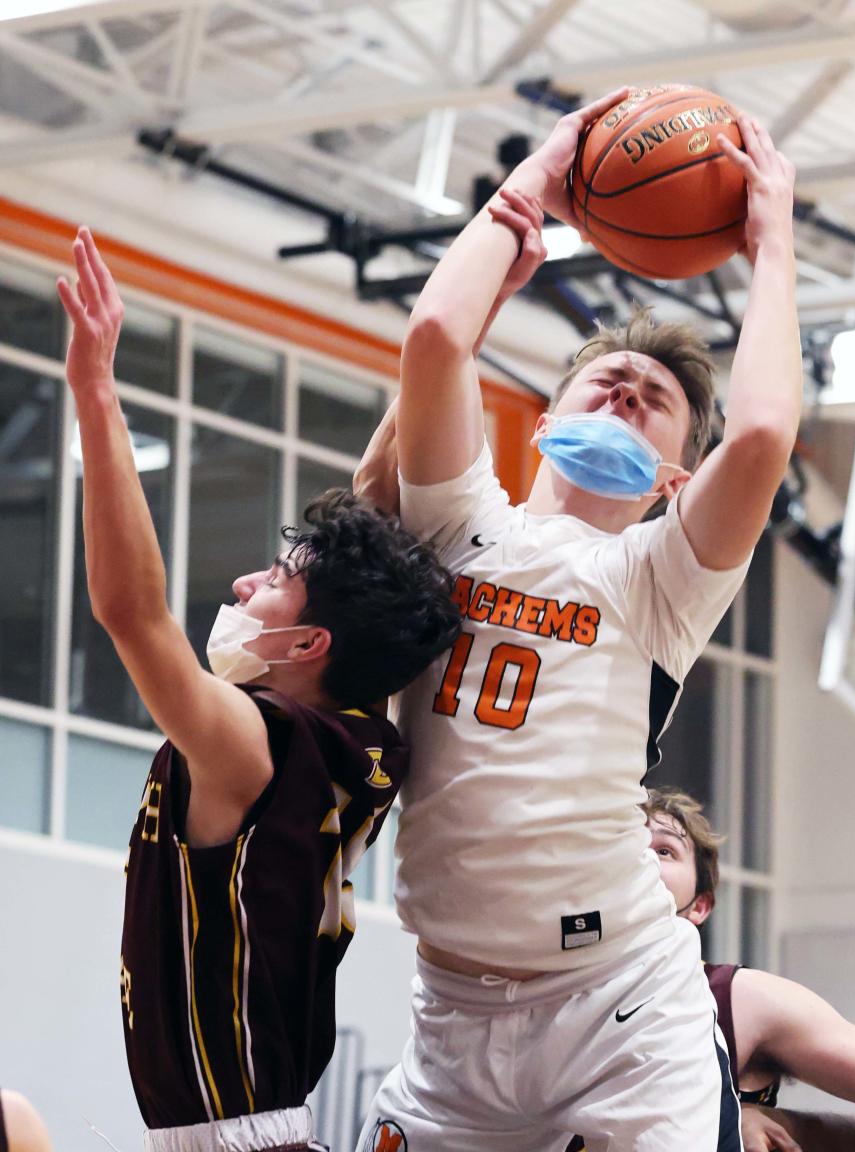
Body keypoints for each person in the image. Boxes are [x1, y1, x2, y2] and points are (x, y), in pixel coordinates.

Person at [355, 86, 801, 1151]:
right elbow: (432, 339)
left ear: (675, 475)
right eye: (609, 382)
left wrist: (774, 242)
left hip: (621, 1001)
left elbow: (766, 435)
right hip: (451, 1006)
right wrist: (538, 182)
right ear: (547, 420)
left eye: (654, 400)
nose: (628, 396)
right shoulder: (462, 519)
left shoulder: (663, 575)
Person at [57, 229, 461, 1152]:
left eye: (274, 577)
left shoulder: (256, 745)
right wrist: (445, 330)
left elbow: (132, 613)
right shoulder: (353, 739)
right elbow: (373, 503)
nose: (244, 585)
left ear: (310, 641)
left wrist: (95, 393)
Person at [567, 787, 855, 1152]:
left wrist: (735, 1118)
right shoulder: (536, 986)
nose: (644, 858)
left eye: (665, 851)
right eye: (631, 846)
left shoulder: (742, 998)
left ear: (700, 906)